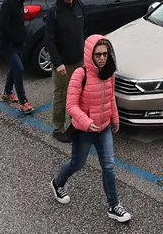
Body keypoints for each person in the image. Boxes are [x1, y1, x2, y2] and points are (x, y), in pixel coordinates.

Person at [50, 35, 131, 223]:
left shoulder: (109, 73)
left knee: (109, 167)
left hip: (103, 129)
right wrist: (86, 122)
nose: (102, 58)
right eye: (98, 54)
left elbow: (111, 98)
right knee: (77, 164)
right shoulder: (80, 74)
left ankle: (114, 206)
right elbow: (71, 104)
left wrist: (115, 118)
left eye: (105, 54)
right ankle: (57, 183)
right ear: (90, 55)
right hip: (84, 131)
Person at [45, 0, 86, 143]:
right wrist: (58, 62)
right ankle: (58, 128)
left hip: (79, 61)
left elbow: (83, 32)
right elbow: (49, 40)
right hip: (63, 65)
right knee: (61, 96)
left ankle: (75, 125)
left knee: (78, 95)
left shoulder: (79, 7)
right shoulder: (54, 12)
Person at [0, 0, 34, 114]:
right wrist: (16, 38)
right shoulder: (8, 4)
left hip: (18, 43)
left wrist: (22, 37)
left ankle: (7, 92)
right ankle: (23, 101)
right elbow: (5, 26)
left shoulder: (19, 1)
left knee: (14, 68)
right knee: (18, 69)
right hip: (8, 44)